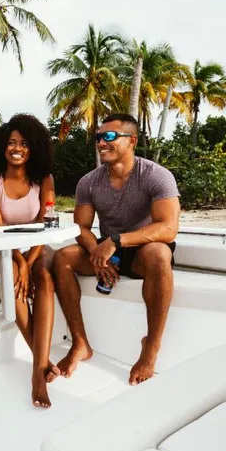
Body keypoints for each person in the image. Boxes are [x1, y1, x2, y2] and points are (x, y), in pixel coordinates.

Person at [52, 113, 180, 386]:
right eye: (99, 137)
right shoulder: (89, 182)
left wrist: (117, 241)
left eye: (109, 136)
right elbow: (82, 228)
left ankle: (151, 348)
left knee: (160, 254)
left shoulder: (157, 176)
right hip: (108, 248)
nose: (101, 142)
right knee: (62, 257)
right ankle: (80, 343)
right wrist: (97, 251)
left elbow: (168, 228)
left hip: (143, 249)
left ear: (131, 140)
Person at [0, 114, 59, 408]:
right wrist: (20, 262)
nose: (17, 148)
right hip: (2, 248)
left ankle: (37, 370)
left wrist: (30, 260)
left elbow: (45, 223)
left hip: (37, 246)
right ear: (2, 146)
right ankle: (41, 368)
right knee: (11, 272)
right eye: (11, 143)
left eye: (24, 143)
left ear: (33, 147)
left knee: (45, 278)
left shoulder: (44, 179)